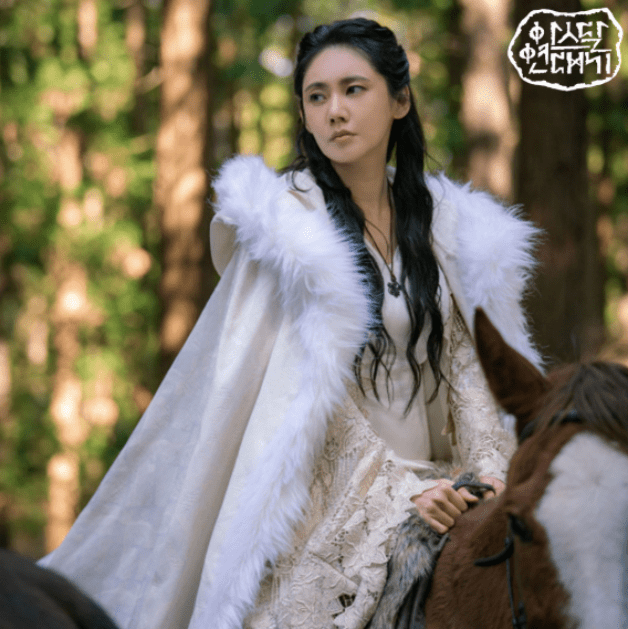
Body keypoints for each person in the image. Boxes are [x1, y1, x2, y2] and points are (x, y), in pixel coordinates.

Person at [40, 17, 541, 629]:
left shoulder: (448, 226)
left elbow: (470, 370)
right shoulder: (285, 231)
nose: (335, 111)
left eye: (354, 90)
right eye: (316, 96)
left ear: (400, 100)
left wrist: (486, 479)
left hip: (446, 488)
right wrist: (402, 493)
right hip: (327, 505)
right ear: (303, 114)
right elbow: (299, 399)